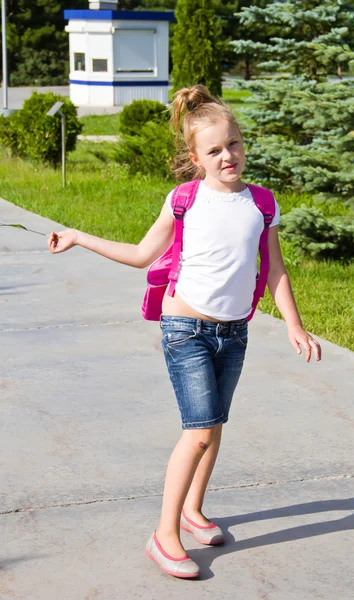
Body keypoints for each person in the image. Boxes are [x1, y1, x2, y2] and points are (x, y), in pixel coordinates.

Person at [48, 85, 321, 579]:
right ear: (195, 158)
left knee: (213, 426)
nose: (228, 155)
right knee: (198, 431)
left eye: (234, 143)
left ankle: (194, 511)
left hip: (234, 332)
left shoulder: (262, 204)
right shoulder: (185, 200)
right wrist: (76, 236)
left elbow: (275, 270)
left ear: (243, 143)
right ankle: (164, 534)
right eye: (214, 150)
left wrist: (295, 327)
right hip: (185, 328)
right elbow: (140, 255)